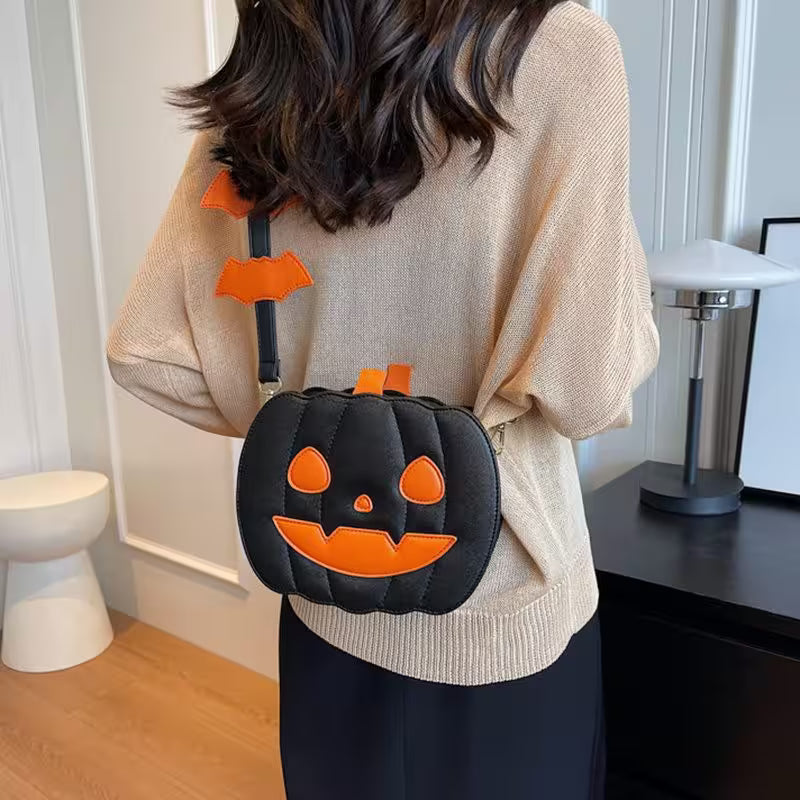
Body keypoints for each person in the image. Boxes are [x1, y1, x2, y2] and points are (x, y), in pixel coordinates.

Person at [107, 1, 659, 797]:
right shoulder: (560, 49)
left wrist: (309, 424)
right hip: (503, 612)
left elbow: (147, 352)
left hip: (323, 586)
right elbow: (586, 386)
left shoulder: (276, 66)